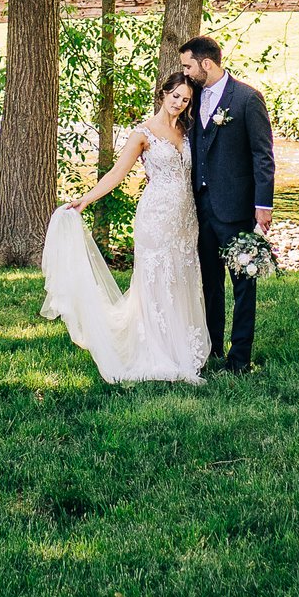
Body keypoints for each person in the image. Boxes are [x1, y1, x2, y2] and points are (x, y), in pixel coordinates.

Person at [38, 72, 210, 385]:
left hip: (186, 219)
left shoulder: (187, 130)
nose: (179, 103)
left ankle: (179, 346)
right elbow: (117, 173)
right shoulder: (143, 133)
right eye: (175, 96)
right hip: (156, 217)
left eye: (185, 100)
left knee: (181, 277)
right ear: (163, 93)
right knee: (156, 278)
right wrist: (86, 199)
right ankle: (155, 348)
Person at [179, 35, 274, 373]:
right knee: (209, 283)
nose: (185, 72)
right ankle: (212, 348)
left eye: (188, 66)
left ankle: (240, 358)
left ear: (206, 63)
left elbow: (262, 155)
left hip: (235, 209)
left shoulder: (247, 98)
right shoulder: (192, 98)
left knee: (243, 284)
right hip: (201, 207)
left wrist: (263, 205)